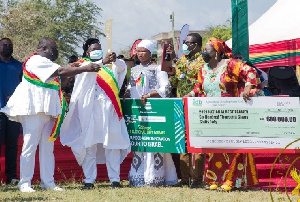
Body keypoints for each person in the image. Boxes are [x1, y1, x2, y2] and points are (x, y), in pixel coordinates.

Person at [0, 37, 101, 193]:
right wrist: (85, 68)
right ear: (44, 48)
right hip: (33, 110)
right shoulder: (35, 61)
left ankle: (48, 182)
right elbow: (60, 71)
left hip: (48, 110)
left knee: (48, 148)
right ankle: (25, 182)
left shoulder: (47, 63)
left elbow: (62, 73)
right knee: (30, 146)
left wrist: (74, 67)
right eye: (54, 49)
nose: (56, 53)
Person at [185, 38, 260, 191]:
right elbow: (198, 87)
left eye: (207, 50)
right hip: (211, 116)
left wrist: (247, 88)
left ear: (217, 52)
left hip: (231, 114)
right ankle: (215, 180)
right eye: (204, 50)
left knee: (231, 148)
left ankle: (231, 180)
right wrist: (189, 96)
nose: (204, 53)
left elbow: (250, 71)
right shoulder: (203, 69)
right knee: (215, 148)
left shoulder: (230, 64)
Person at [60, 38, 131, 189]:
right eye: (94, 49)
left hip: (109, 110)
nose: (97, 51)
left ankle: (115, 180)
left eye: (99, 48)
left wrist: (115, 59)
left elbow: (122, 67)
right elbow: (89, 70)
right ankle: (89, 180)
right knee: (89, 145)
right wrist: (104, 62)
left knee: (112, 145)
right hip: (89, 111)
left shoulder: (110, 66)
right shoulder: (81, 65)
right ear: (87, 51)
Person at [124, 40, 178, 187]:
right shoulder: (134, 69)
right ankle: (138, 177)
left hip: (154, 110)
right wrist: (127, 94)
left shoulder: (158, 69)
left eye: (143, 51)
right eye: (138, 51)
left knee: (154, 142)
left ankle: (155, 177)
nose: (140, 54)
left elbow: (166, 87)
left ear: (150, 53)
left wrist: (150, 95)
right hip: (138, 111)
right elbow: (132, 86)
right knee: (140, 141)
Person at [169, 33, 206, 188]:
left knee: (197, 140)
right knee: (182, 140)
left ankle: (197, 178)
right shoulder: (182, 59)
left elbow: (201, 82)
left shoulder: (203, 60)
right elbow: (176, 81)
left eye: (187, 42)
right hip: (181, 104)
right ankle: (185, 177)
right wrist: (170, 75)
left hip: (197, 103)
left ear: (196, 44)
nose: (184, 45)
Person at [0, 38, 22, 185]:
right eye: (4, 45)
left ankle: (12, 176)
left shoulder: (19, 66)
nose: (8, 47)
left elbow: (25, 86)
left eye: (10, 45)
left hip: (14, 111)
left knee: (12, 145)